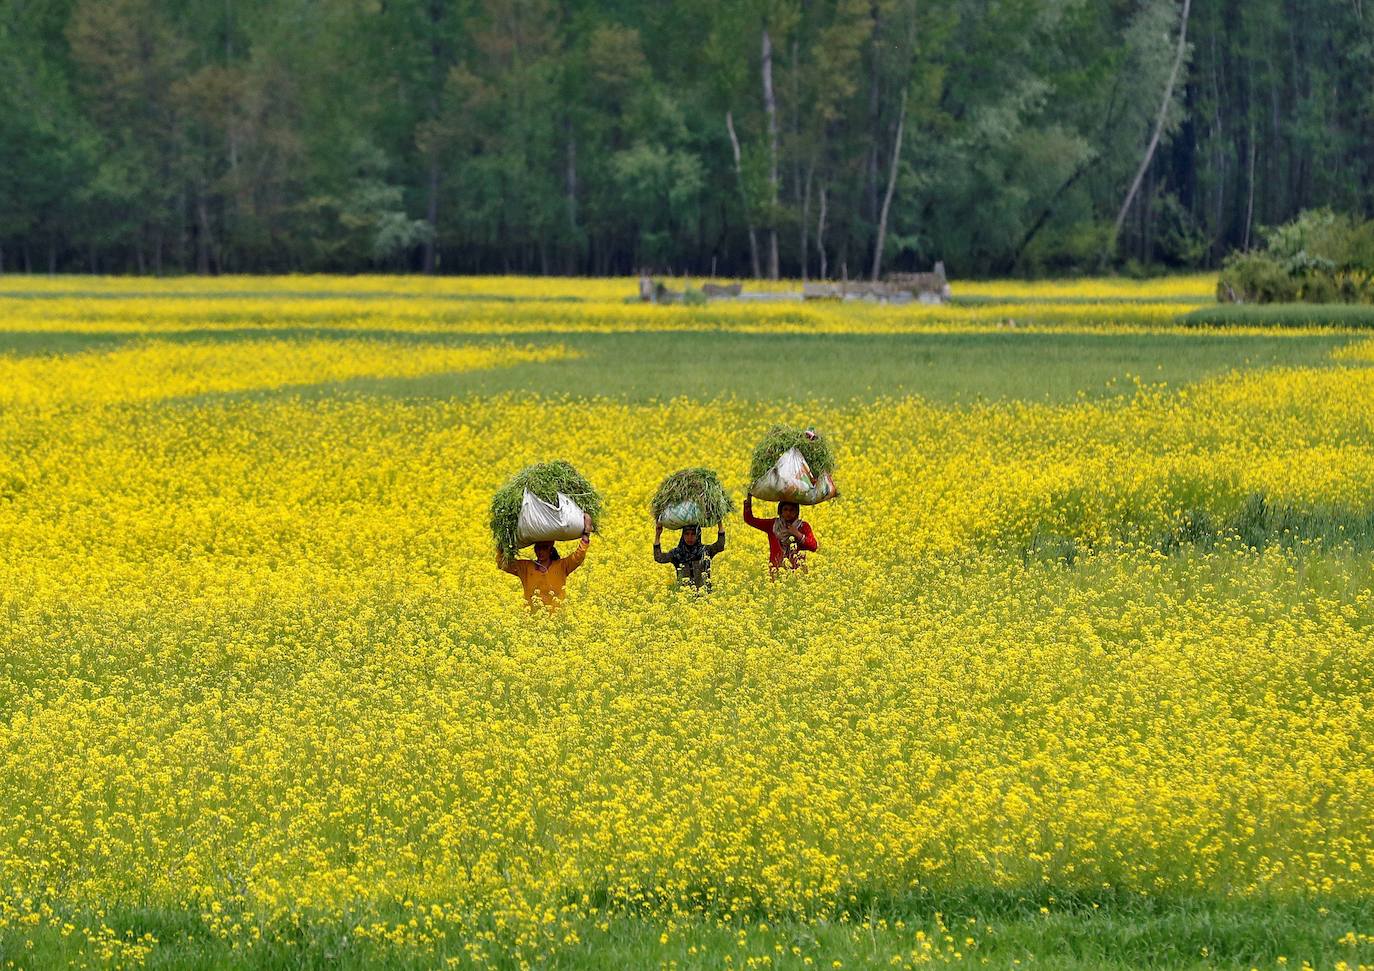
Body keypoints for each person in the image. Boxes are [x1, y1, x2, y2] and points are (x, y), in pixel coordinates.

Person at [497, 513, 593, 610]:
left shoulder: (562, 566)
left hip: (556, 619)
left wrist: (586, 534)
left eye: (544, 548)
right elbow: (503, 563)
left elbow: (578, 556)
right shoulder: (525, 567)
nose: (540, 551)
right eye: (538, 548)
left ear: (551, 549)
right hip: (532, 619)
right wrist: (503, 540)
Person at [743, 493, 818, 575]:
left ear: (796, 512)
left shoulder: (803, 526)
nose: (788, 513)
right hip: (776, 571)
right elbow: (750, 520)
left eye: (791, 510)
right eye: (785, 509)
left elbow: (813, 546)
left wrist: (797, 534)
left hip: (797, 572)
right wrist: (749, 500)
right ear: (780, 511)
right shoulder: (772, 524)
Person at [653, 521, 725, 591]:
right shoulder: (677, 553)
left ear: (698, 535)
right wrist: (658, 535)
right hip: (683, 597)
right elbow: (659, 558)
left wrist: (719, 523)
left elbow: (720, 545)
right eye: (686, 534)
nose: (689, 537)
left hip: (704, 596)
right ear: (683, 535)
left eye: (693, 534)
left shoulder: (705, 551)